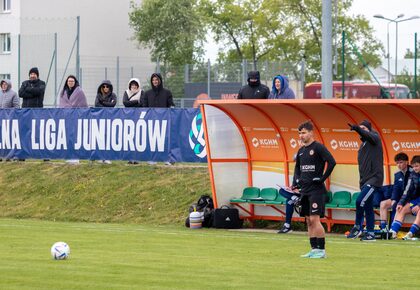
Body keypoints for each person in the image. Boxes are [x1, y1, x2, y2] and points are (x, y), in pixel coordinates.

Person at [294, 121, 336, 258]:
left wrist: (322, 178)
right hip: (304, 190)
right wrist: (296, 182)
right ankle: (313, 249)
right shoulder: (301, 151)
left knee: (315, 219)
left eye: (304, 132)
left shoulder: (318, 147)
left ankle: (322, 251)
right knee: (308, 220)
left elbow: (332, 162)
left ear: (311, 133)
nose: (301, 135)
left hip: (316, 190)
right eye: (299, 133)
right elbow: (297, 169)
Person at [347, 120, 384, 241]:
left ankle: (358, 227)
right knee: (368, 207)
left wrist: (358, 128)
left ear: (369, 130)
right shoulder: (363, 145)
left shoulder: (375, 138)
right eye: (360, 128)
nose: (361, 130)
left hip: (374, 179)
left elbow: (368, 135)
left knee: (359, 201)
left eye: (364, 128)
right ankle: (371, 233)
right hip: (365, 181)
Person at [141, 73, 175, 165]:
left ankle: (168, 159)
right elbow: (144, 107)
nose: (155, 81)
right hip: (152, 121)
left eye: (156, 80)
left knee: (165, 140)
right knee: (152, 140)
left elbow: (171, 105)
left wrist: (171, 105)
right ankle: (152, 158)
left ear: (160, 80)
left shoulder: (167, 92)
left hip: (164, 121)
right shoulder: (147, 93)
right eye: (153, 80)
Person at [379, 152, 413, 231]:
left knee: (397, 207)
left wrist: (402, 201)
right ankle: (384, 229)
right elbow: (396, 188)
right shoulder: (397, 174)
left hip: (410, 199)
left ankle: (393, 230)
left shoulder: (413, 172)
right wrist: (393, 199)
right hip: (399, 198)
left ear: (407, 162)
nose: (399, 165)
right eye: (397, 163)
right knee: (383, 204)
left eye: (401, 162)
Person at [389, 155, 420, 240]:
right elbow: (407, 190)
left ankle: (410, 233)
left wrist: (419, 205)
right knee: (401, 209)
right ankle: (393, 232)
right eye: (413, 166)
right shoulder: (413, 174)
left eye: (417, 166)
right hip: (415, 200)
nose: (415, 168)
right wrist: (400, 203)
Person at [59, 75, 88, 165]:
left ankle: (76, 157)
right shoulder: (63, 92)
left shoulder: (79, 92)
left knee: (76, 138)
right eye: (69, 81)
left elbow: (83, 105)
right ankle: (69, 156)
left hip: (76, 118)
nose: (70, 83)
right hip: (66, 118)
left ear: (75, 82)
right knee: (67, 138)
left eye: (72, 81)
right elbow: (61, 104)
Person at [95, 80, 117, 164]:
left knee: (108, 138)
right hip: (100, 119)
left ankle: (107, 157)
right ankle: (101, 157)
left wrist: (103, 102)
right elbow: (97, 105)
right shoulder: (98, 95)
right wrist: (107, 103)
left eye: (107, 86)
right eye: (104, 86)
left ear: (110, 87)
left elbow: (113, 105)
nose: (105, 88)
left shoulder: (113, 95)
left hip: (110, 119)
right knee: (100, 138)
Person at [123, 78, 143, 165]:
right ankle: (130, 158)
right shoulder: (126, 92)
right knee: (129, 138)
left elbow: (142, 103)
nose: (134, 86)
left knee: (138, 138)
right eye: (132, 85)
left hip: (138, 118)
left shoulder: (141, 92)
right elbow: (125, 103)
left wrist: (131, 102)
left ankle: (137, 158)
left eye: (135, 85)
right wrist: (136, 101)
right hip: (129, 117)